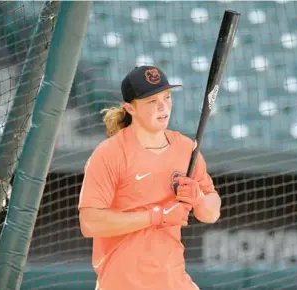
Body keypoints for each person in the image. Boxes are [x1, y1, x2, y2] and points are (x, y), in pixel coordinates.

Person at [78, 65, 221, 290]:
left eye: (167, 97)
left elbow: (211, 213)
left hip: (174, 281)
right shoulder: (110, 153)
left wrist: (199, 198)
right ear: (130, 108)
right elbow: (90, 223)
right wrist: (157, 216)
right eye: (152, 101)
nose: (163, 107)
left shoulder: (185, 149)